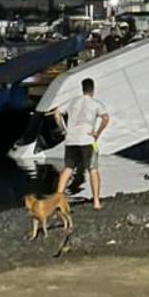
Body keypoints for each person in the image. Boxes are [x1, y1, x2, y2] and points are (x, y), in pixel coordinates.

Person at [52, 77, 109, 209]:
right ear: (93, 89)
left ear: (82, 89)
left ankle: (57, 200)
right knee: (92, 169)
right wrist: (97, 133)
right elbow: (105, 118)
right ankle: (96, 201)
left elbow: (57, 113)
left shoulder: (72, 102)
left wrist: (63, 129)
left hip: (71, 140)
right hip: (87, 140)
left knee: (68, 168)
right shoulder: (96, 104)